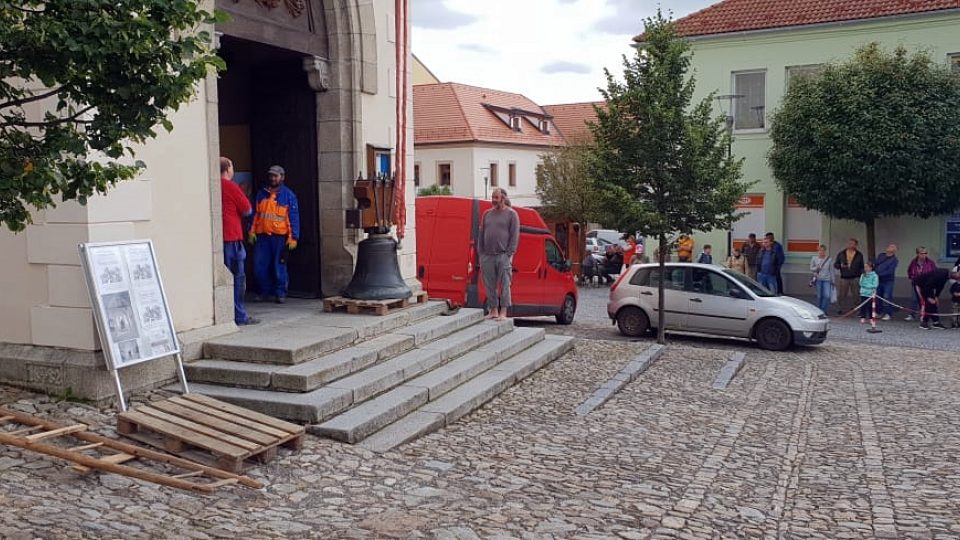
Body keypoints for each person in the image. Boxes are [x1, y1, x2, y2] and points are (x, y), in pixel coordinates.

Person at [249, 165, 300, 304]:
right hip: (263, 237)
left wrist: (293, 237)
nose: (273, 178)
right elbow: (255, 215)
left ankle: (280, 293)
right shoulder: (261, 194)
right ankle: (264, 292)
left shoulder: (288, 196)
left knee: (279, 268)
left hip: (280, 238)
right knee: (259, 267)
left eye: (275, 176)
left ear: (282, 177)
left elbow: (293, 218)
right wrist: (251, 231)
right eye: (271, 175)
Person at [220, 157, 258, 326]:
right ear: (228, 169)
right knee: (238, 277)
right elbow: (247, 210)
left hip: (218, 238)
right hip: (232, 236)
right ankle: (239, 314)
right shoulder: (230, 186)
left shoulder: (211, 185)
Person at [477, 187, 519, 321]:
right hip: (487, 256)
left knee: (505, 284)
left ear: (503, 198)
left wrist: (509, 254)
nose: (493, 200)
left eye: (496, 197)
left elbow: (514, 236)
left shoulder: (512, 214)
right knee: (489, 285)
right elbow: (481, 234)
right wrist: (481, 253)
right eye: (492, 197)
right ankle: (493, 310)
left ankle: (503, 312)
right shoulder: (487, 214)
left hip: (503, 255)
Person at [833, 238, 864, 314]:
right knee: (842, 294)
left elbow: (862, 266)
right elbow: (835, 264)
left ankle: (857, 308)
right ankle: (840, 308)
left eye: (852, 244)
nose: (850, 245)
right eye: (849, 243)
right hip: (844, 277)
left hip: (855, 277)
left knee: (856, 294)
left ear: (856, 245)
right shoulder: (841, 253)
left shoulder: (859, 254)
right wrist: (840, 265)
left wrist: (861, 275)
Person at [905, 247, 937, 321]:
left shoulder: (930, 262)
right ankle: (912, 314)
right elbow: (909, 271)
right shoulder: (914, 262)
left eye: (925, 253)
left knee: (927, 299)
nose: (924, 255)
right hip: (916, 283)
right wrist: (912, 277)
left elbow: (935, 272)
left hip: (927, 284)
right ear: (918, 254)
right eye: (922, 253)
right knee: (914, 299)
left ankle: (925, 315)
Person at [873, 244, 898, 320]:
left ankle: (888, 313)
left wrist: (878, 274)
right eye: (889, 246)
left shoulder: (894, 260)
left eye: (892, 247)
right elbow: (876, 264)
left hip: (888, 281)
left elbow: (890, 271)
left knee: (887, 296)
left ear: (895, 251)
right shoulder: (881, 255)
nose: (890, 247)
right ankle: (879, 312)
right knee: (878, 296)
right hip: (879, 280)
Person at [810, 245, 833, 314]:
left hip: (827, 279)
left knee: (827, 296)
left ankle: (823, 310)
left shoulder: (829, 259)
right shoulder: (814, 258)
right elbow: (811, 268)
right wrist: (816, 268)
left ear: (825, 251)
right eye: (819, 250)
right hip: (818, 279)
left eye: (823, 250)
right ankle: (819, 311)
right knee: (819, 296)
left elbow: (831, 270)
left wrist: (833, 280)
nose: (821, 252)